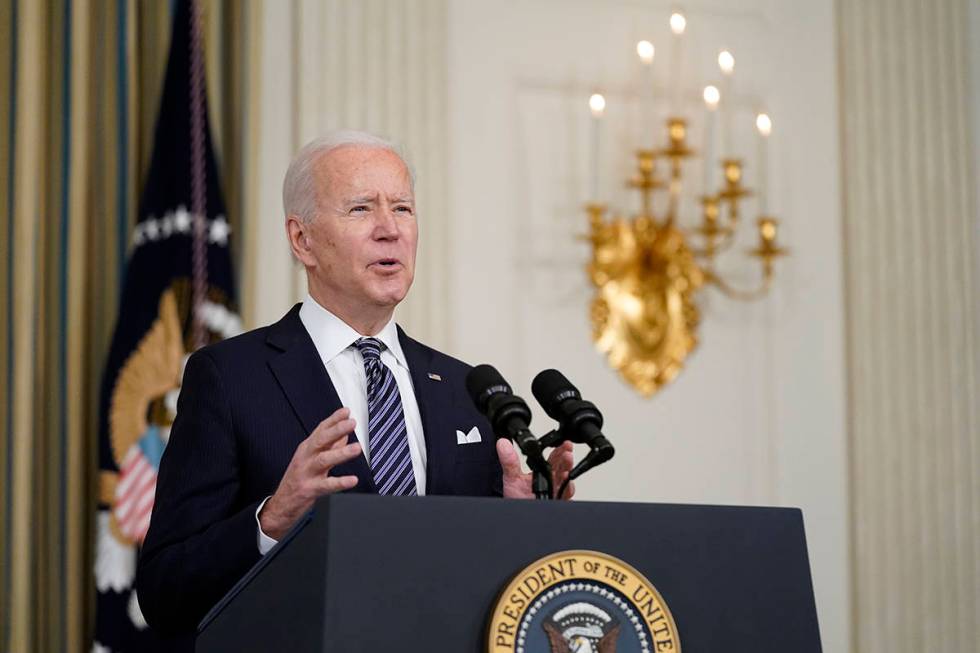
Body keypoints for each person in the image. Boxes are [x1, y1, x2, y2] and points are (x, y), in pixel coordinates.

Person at [136, 130, 574, 639]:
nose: (390, 230)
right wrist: (271, 520)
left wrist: (522, 528)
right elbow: (164, 592)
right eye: (362, 209)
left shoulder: (465, 388)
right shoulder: (230, 377)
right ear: (302, 240)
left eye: (404, 209)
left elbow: (481, 590)